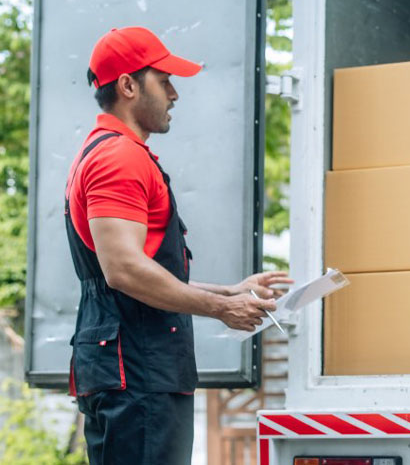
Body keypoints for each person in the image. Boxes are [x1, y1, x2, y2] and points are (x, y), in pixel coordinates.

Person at [65, 26, 290, 464]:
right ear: (128, 85)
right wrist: (221, 309)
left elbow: (138, 271)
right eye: (164, 81)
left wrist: (230, 291)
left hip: (131, 371)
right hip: (139, 373)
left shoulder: (106, 152)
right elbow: (124, 271)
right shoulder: (119, 157)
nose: (174, 94)